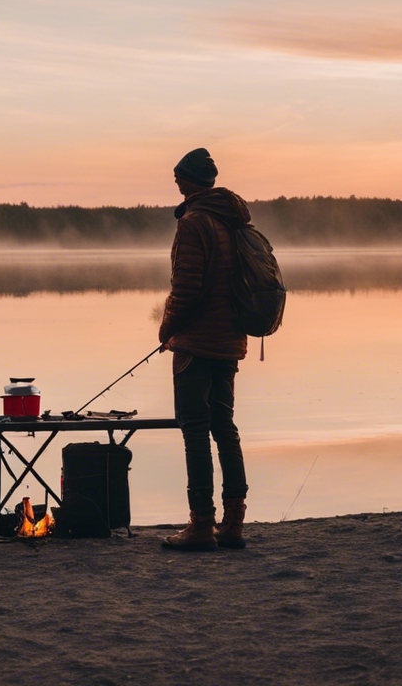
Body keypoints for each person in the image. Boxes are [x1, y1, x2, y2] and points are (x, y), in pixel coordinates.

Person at [158, 148, 250, 551]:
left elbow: (187, 288)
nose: (176, 183)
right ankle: (232, 524)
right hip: (229, 341)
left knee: (195, 430)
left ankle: (200, 526)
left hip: (197, 345)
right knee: (224, 429)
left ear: (190, 180)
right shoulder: (232, 221)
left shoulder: (194, 222)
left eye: (179, 177)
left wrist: (167, 330)